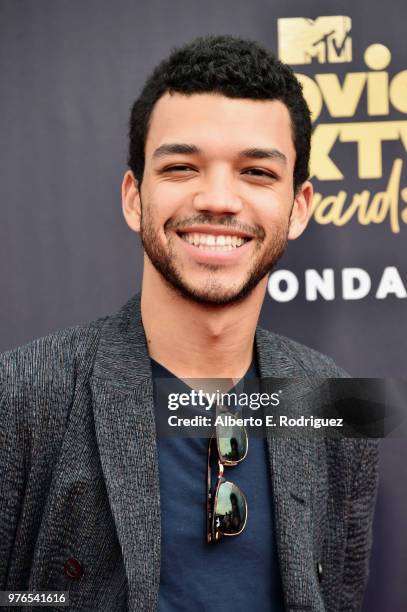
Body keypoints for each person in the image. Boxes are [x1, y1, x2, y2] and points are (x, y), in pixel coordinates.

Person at [0, 35, 379, 611]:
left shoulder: (335, 399)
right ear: (135, 197)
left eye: (256, 172)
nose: (220, 199)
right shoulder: (21, 394)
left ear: (299, 207)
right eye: (181, 166)